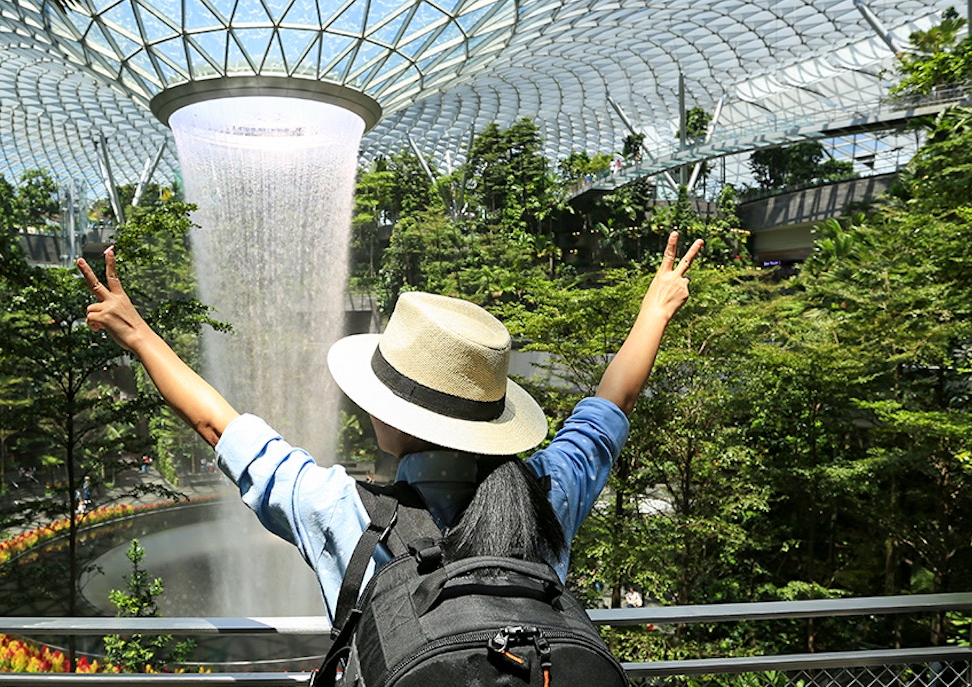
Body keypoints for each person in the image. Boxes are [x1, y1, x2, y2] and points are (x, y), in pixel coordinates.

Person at [77, 232, 702, 621]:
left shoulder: (343, 511)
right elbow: (608, 408)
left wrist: (139, 335)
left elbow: (220, 427)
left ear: (391, 417)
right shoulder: (545, 498)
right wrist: (655, 310)